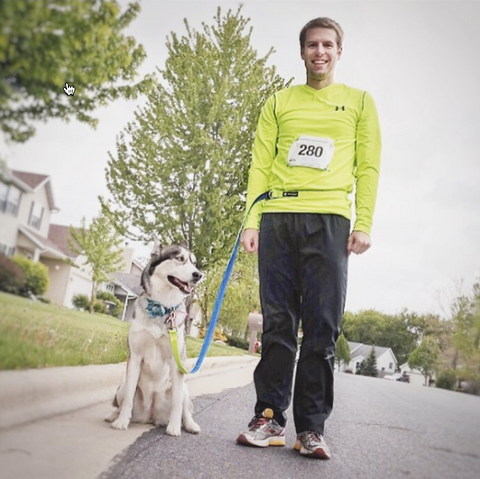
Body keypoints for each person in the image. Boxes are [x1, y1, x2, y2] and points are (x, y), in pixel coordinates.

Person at [236, 17, 381, 459]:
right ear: (302, 52)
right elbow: (260, 163)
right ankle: (269, 418)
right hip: (279, 216)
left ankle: (311, 429)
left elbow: (368, 167)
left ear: (339, 52)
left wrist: (364, 222)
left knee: (321, 326)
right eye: (312, 45)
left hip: (330, 221)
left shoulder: (359, 103)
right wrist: (251, 219)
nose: (320, 52)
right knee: (279, 323)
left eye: (328, 45)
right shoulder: (279, 102)